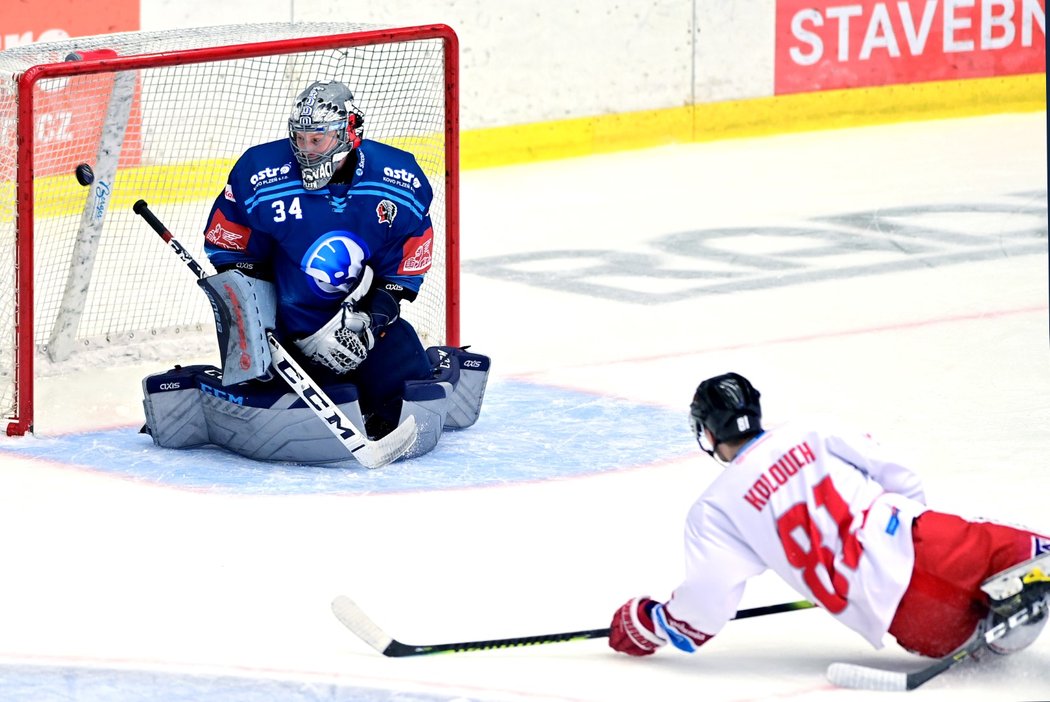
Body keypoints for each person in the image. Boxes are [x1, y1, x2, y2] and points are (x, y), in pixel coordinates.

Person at [140, 80, 490, 464]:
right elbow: (231, 251)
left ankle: (417, 370)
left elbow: (404, 263)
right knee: (309, 395)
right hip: (285, 332)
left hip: (355, 323)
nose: (305, 150)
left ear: (349, 132)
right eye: (300, 139)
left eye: (317, 140)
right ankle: (207, 389)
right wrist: (264, 327)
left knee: (411, 377)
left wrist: (369, 325)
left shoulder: (397, 179)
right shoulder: (261, 175)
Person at [608, 372, 1049, 662]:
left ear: (706, 432)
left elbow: (703, 608)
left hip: (907, 621)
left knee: (971, 640)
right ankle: (1000, 594)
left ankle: (986, 623)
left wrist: (652, 622)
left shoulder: (714, 511)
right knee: (1035, 554)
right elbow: (901, 477)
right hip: (929, 546)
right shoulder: (812, 430)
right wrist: (916, 530)